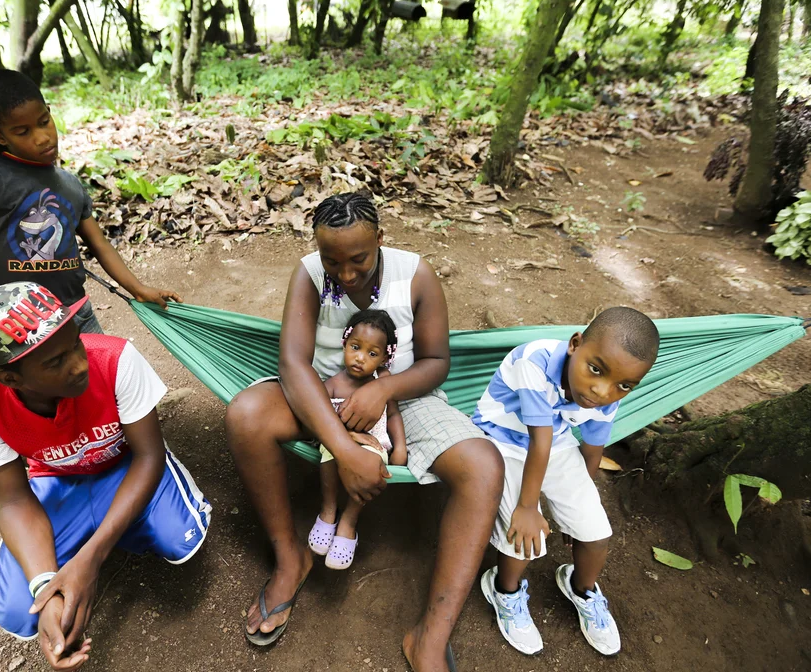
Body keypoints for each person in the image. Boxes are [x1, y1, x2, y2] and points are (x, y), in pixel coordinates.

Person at [225, 192, 503, 670]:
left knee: (484, 465)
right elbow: (293, 365)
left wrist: (383, 389)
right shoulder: (310, 274)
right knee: (246, 414)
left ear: (380, 238)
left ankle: (430, 637)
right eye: (332, 260)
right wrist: (343, 448)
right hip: (319, 397)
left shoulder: (415, 274)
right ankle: (292, 560)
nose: (345, 273)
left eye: (358, 259)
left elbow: (437, 363)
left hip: (404, 401)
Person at [0, 281, 211, 671]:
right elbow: (15, 500)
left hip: (126, 463)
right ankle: (81, 554)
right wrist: (45, 588)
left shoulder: (115, 358)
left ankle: (104, 539)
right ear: (11, 379)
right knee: (20, 612)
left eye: (75, 343)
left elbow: (149, 454)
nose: (78, 363)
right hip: (55, 481)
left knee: (181, 538)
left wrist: (91, 558)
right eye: (55, 362)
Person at [472, 307, 659, 657]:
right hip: (500, 439)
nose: (602, 391)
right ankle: (504, 589)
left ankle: (582, 587)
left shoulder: (608, 393)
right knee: (526, 535)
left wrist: (575, 506)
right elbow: (536, 442)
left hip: (555, 444)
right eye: (596, 370)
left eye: (623, 385)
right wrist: (528, 508)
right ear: (575, 344)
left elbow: (592, 447)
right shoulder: (535, 361)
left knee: (596, 532)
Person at [0, 68, 180, 334]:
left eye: (43, 121)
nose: (42, 137)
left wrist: (138, 288)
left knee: (98, 374)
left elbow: (99, 243)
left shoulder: (70, 184)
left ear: (49, 112)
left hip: (77, 312)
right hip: (21, 324)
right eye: (22, 132)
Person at [309, 309, 408, 570]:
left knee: (369, 466)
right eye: (355, 347)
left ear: (385, 358)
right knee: (329, 454)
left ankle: (349, 522)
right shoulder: (331, 384)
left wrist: (401, 447)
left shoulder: (383, 382)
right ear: (345, 343)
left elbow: (394, 413)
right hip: (338, 444)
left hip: (374, 447)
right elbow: (321, 422)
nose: (360, 358)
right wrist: (350, 436)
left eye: (372, 354)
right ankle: (328, 510)